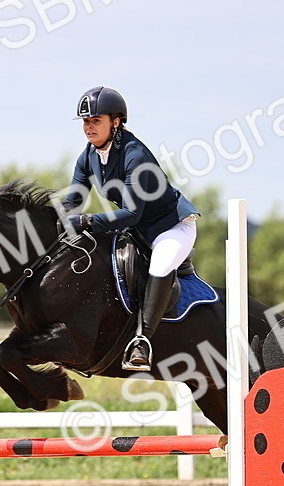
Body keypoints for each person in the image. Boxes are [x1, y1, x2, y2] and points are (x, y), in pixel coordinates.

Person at [60, 86, 199, 372]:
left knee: (160, 263)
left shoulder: (135, 155)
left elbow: (132, 214)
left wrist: (87, 221)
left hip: (171, 227)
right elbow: (73, 201)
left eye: (96, 120)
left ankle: (142, 341)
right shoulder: (88, 156)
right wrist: (54, 219)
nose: (88, 127)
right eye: (86, 121)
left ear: (116, 121)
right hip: (137, 230)